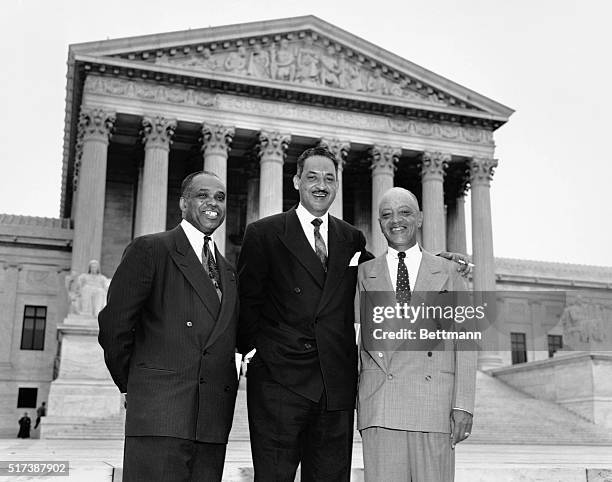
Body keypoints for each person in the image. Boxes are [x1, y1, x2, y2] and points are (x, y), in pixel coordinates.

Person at [238, 146, 372, 481]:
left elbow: (381, 275)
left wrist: (431, 260)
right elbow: (247, 301)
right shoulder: (264, 233)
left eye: (329, 178)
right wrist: (257, 351)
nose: (321, 184)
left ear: (337, 186)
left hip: (334, 385)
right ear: (297, 180)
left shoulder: (351, 238)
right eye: (312, 176)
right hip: (279, 383)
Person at [98, 171, 239, 482]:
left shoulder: (228, 271)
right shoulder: (151, 249)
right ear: (183, 203)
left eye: (219, 197)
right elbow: (115, 325)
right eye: (202, 195)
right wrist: (138, 384)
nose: (212, 203)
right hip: (159, 415)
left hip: (211, 422)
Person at [356, 187, 477, 482]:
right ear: (379, 223)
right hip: (380, 406)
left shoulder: (448, 272)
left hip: (434, 405)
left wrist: (463, 404)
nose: (396, 220)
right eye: (387, 215)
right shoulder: (362, 273)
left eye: (405, 212)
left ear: (421, 218)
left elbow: (465, 341)